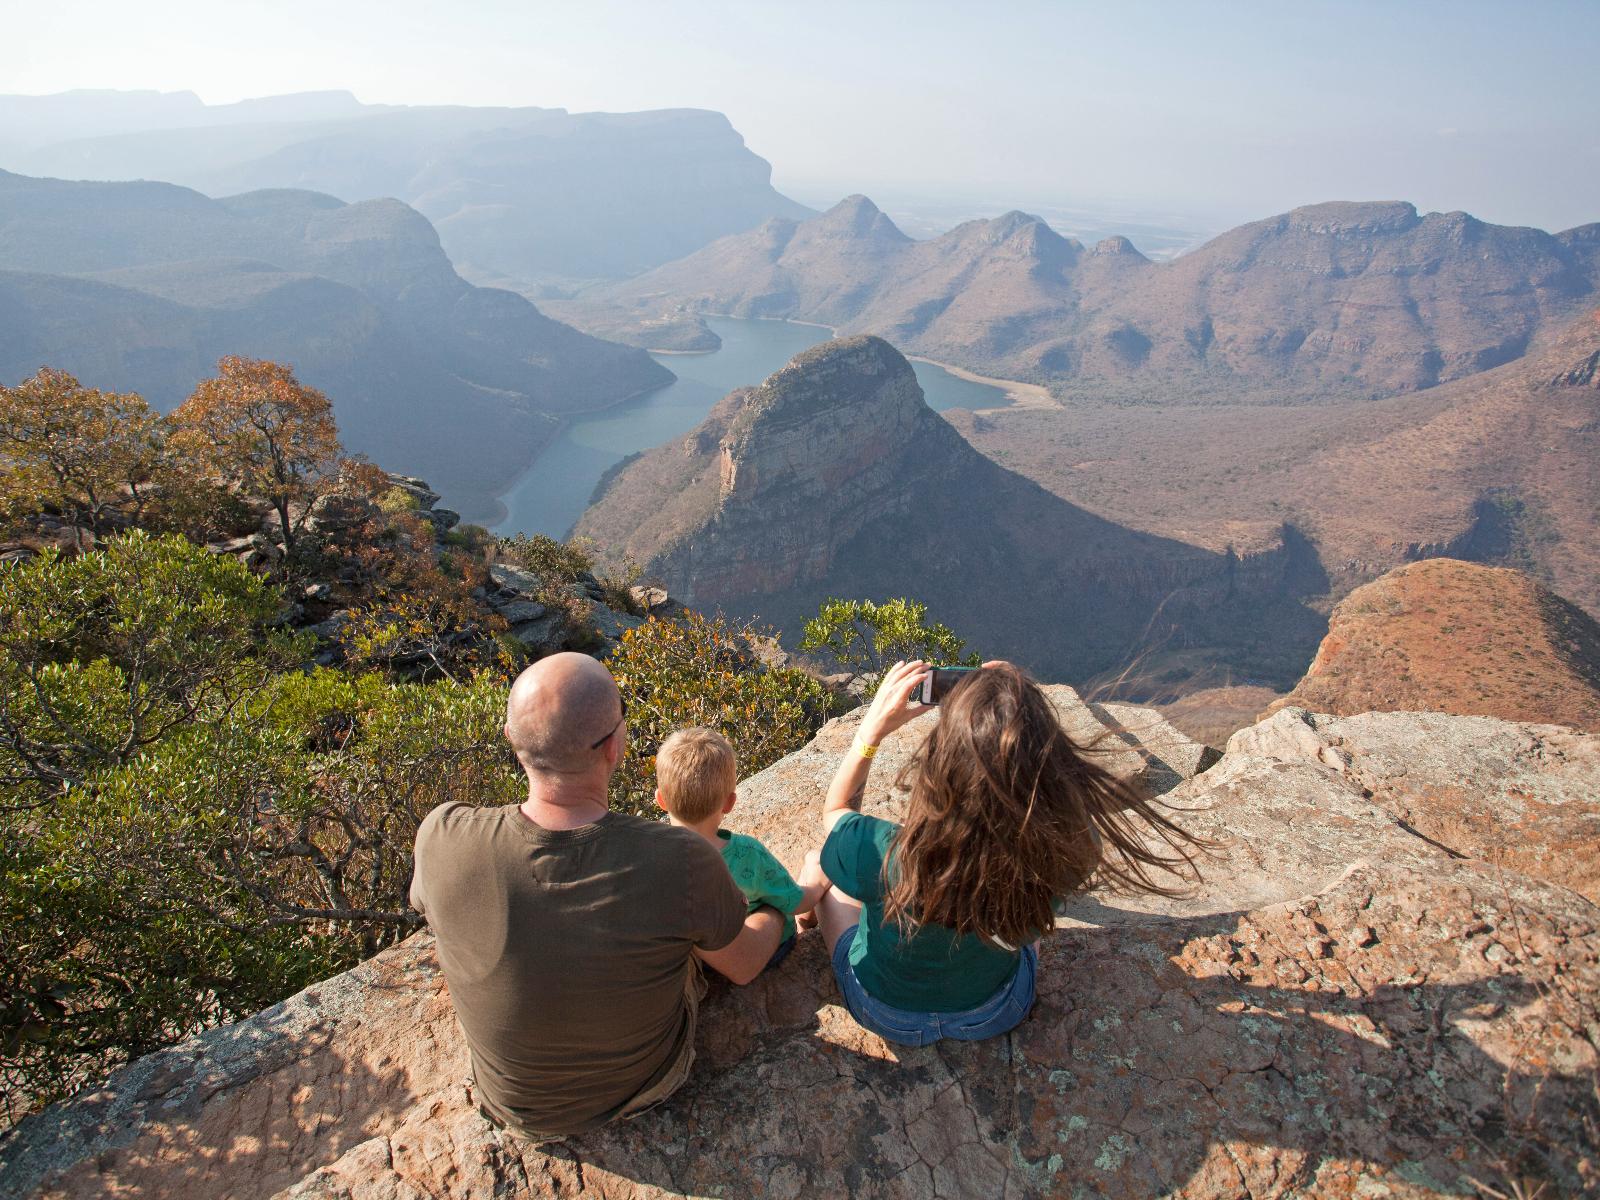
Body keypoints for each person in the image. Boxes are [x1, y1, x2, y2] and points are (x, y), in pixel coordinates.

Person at [409, 653, 785, 1141]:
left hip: (512, 1103)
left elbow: (425, 905)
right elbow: (745, 965)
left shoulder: (441, 835)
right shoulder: (680, 859)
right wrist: (774, 909)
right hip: (643, 1085)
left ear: (511, 740)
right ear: (614, 746)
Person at [813, 659, 1200, 1047]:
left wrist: (869, 735)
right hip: (995, 1010)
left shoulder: (882, 850)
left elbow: (837, 812)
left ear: (938, 767)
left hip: (885, 1013)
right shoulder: (1068, 849)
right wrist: (1020, 710)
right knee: (1025, 907)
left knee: (824, 874)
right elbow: (1061, 809)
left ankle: (802, 925)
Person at [655, 727, 828, 972]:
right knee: (813, 866)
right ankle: (803, 925)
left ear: (661, 800)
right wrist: (819, 883)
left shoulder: (655, 857)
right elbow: (794, 901)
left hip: (707, 964)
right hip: (769, 952)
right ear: (729, 803)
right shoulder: (747, 854)